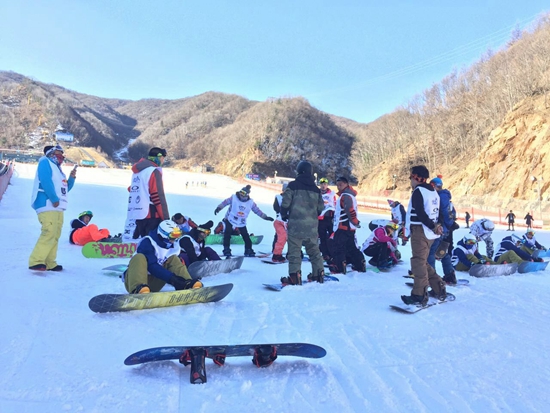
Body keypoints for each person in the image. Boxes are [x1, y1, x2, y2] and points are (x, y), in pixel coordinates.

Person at [400, 165, 446, 306]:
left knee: (418, 263)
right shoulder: (433, 191)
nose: (410, 180)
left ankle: (419, 295)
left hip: (420, 231)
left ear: (416, 177)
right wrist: (437, 226)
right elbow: (439, 212)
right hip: (430, 233)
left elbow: (420, 213)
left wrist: (433, 226)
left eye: (411, 177)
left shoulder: (418, 191)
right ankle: (439, 287)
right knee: (422, 262)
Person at [29, 145, 76, 271]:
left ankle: (50, 262)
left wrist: (72, 178)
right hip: (47, 203)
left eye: (62, 153)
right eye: (58, 152)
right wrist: (54, 198)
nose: (61, 155)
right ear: (51, 153)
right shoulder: (45, 162)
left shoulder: (58, 169)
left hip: (58, 207)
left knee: (55, 234)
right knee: (49, 231)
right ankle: (36, 260)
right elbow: (45, 181)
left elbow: (64, 189)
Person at [123, 220, 203, 294]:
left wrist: (178, 281)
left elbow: (175, 265)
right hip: (134, 280)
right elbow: (152, 266)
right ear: (163, 234)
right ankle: (138, 288)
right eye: (173, 235)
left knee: (173, 258)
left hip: (154, 282)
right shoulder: (148, 243)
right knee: (139, 257)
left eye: (177, 235)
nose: (175, 239)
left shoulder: (173, 246)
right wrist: (172, 279)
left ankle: (187, 283)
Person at [279, 160, 325, 285]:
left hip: (296, 226)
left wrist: (284, 214)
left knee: (294, 252)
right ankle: (318, 274)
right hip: (312, 227)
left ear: (299, 171)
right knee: (314, 251)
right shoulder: (316, 190)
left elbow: (285, 203)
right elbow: (321, 208)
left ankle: (295, 277)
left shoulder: (293, 186)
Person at [214, 184, 274, 257]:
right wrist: (219, 208)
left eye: (243, 193)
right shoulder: (234, 198)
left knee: (245, 236)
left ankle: (248, 249)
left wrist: (265, 217)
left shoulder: (251, 203)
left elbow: (257, 211)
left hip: (241, 222)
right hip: (230, 219)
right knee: (227, 233)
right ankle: (226, 249)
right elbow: (225, 202)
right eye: (241, 192)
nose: (241, 195)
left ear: (247, 195)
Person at [125, 147, 169, 240]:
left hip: (137, 214)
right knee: (153, 243)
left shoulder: (138, 171)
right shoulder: (154, 171)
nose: (163, 161)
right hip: (152, 215)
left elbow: (132, 188)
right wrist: (166, 219)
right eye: (162, 158)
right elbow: (158, 196)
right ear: (157, 157)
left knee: (142, 242)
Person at [328, 176, 366, 274]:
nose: (338, 186)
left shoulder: (345, 196)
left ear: (346, 184)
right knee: (351, 247)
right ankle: (360, 264)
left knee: (338, 247)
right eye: (337, 185)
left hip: (343, 227)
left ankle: (339, 267)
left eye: (341, 184)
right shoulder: (349, 195)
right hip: (349, 227)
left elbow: (349, 210)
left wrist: (355, 221)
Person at [426, 177, 459, 285]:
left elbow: (445, 212)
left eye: (432, 185)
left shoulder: (441, 196)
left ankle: (431, 278)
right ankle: (449, 274)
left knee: (430, 252)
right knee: (441, 252)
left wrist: (449, 224)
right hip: (443, 228)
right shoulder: (443, 196)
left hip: (441, 229)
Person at [318, 177, 337, 261]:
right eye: (322, 184)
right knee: (322, 237)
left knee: (332, 236)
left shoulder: (331, 194)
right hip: (320, 219)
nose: (323, 186)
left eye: (325, 184)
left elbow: (335, 205)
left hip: (330, 218)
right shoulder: (317, 193)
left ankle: (333, 253)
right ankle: (325, 254)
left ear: (327, 185)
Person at [271, 183, 289, 263]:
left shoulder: (293, 198)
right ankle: (276, 254)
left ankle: (292, 253)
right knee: (282, 237)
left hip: (289, 222)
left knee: (291, 239)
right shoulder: (278, 197)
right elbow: (276, 208)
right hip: (280, 221)